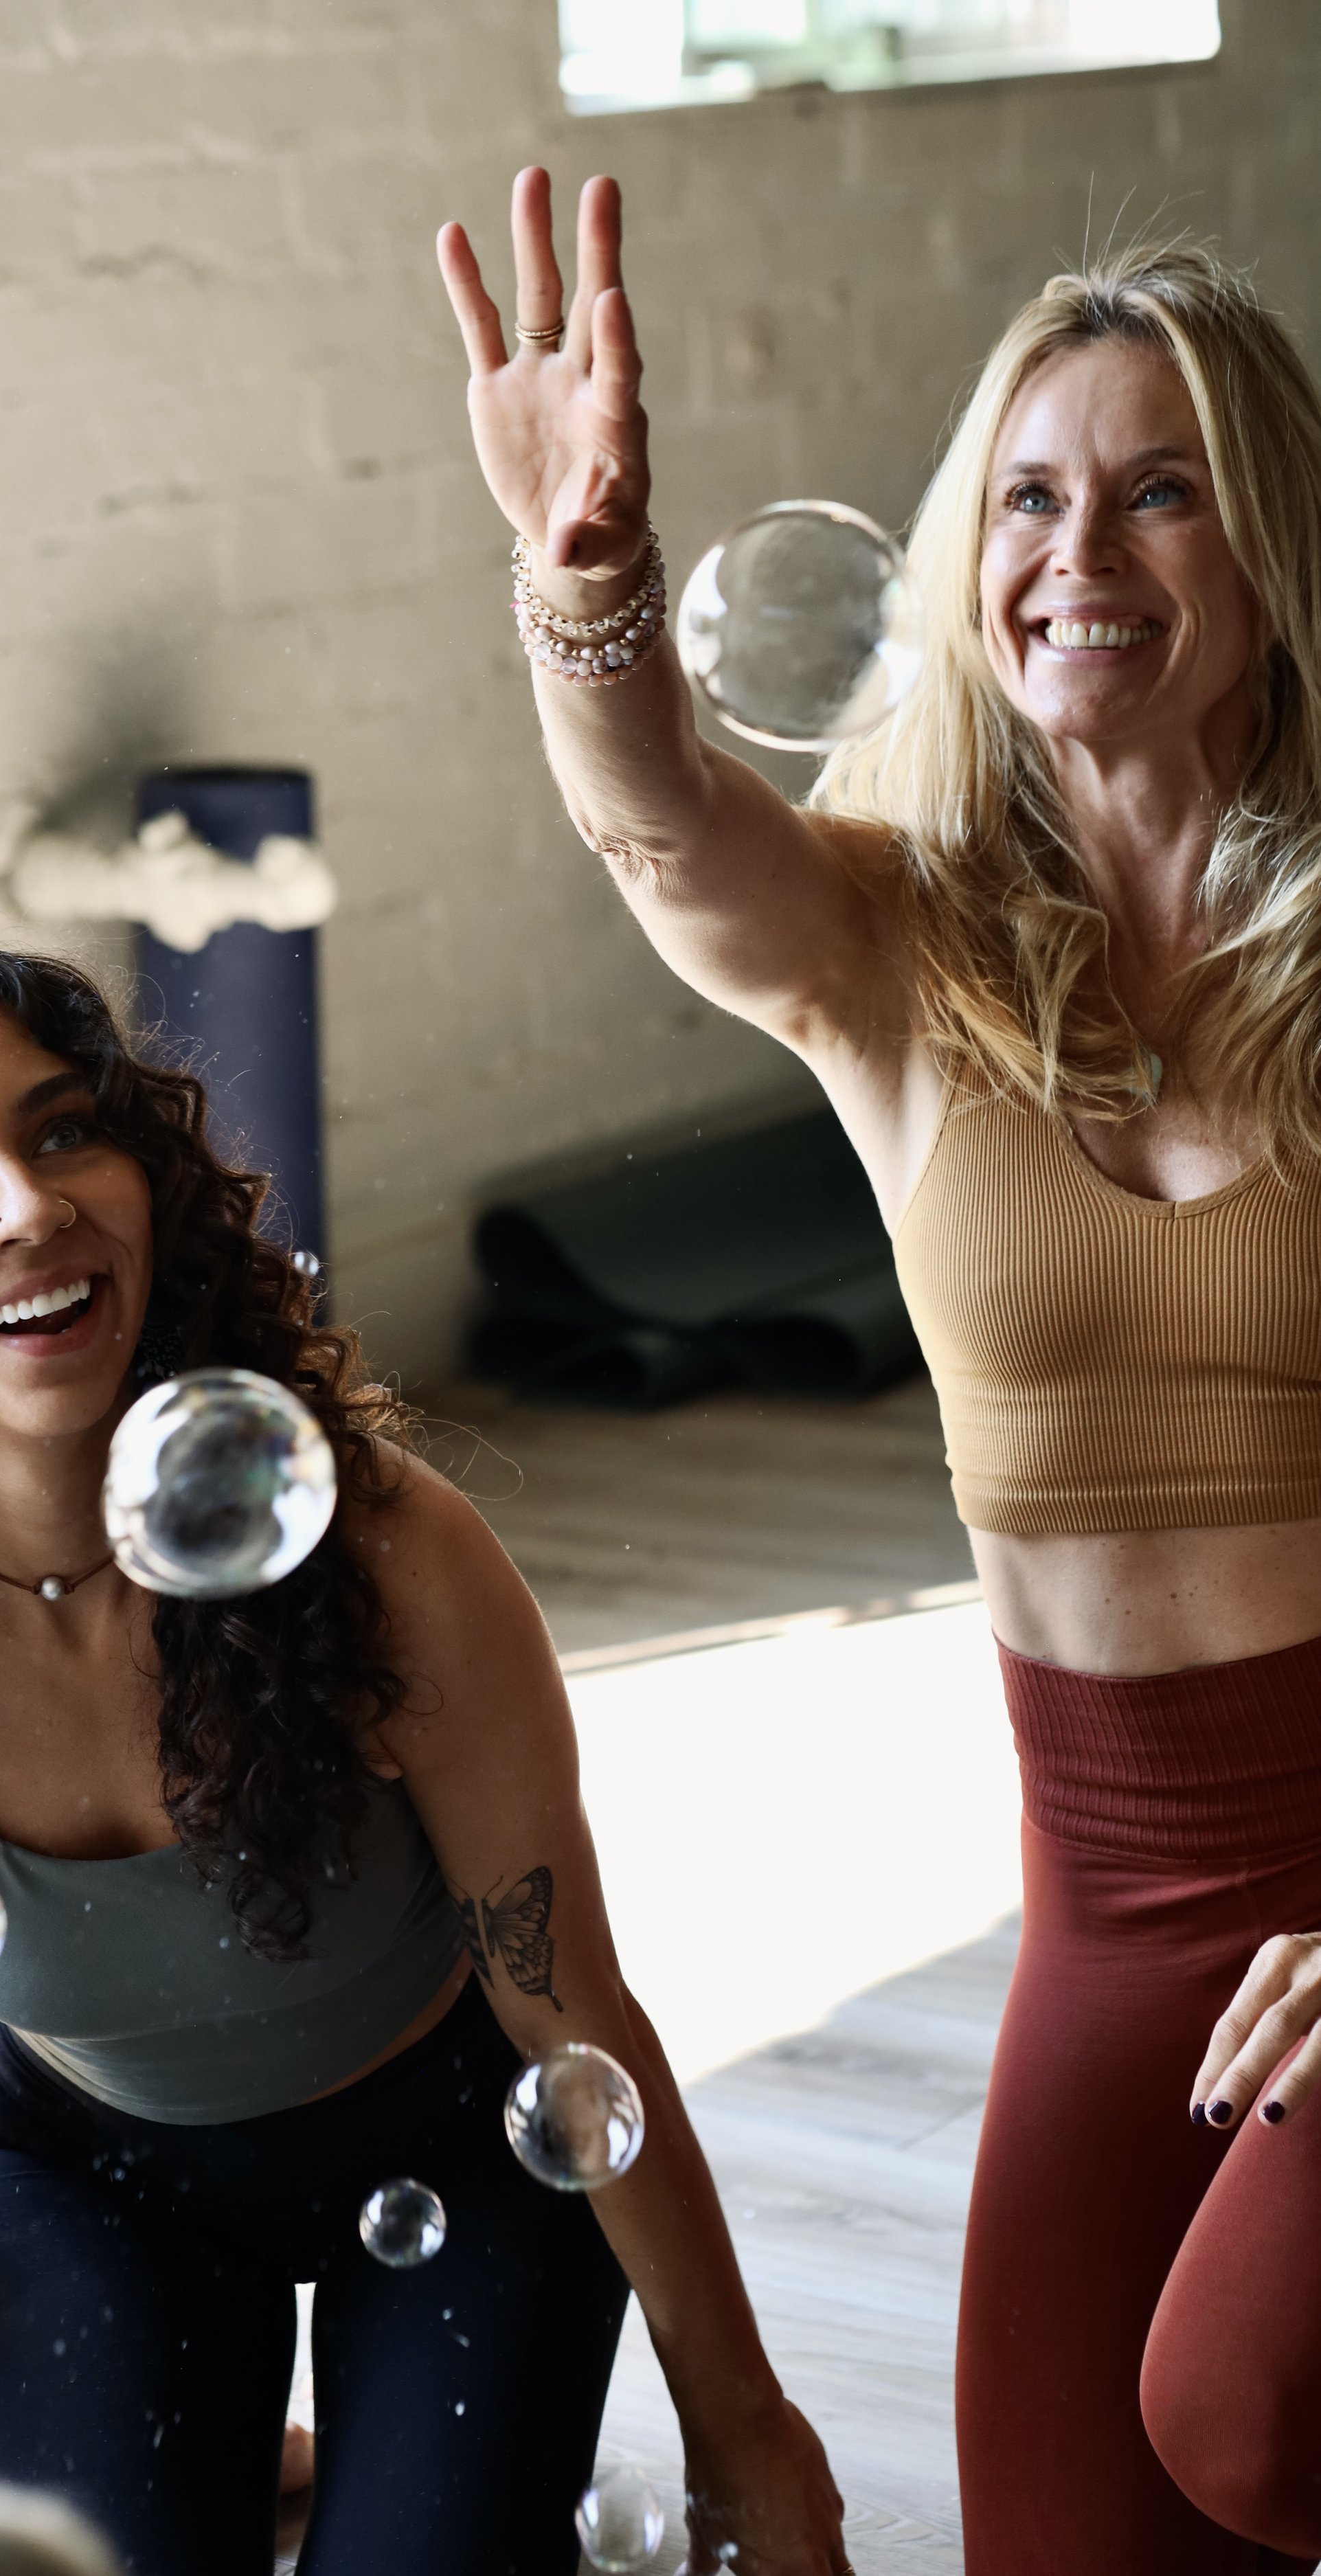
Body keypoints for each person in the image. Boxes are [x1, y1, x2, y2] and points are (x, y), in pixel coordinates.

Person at [439, 168, 1321, 2571]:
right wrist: (587, 578)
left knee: (1249, 2414)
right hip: (1107, 1906)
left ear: (1268, 560)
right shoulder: (896, 944)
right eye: (1031, 495)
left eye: (1163, 491)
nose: (1082, 550)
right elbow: (658, 837)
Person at [0, 937, 846, 2576]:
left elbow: (570, 2012)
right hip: (86, 2179)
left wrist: (746, 2436)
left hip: (457, 2151)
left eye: (68, 1131)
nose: (25, 1207)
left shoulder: (383, 1555)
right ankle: (246, 2454)